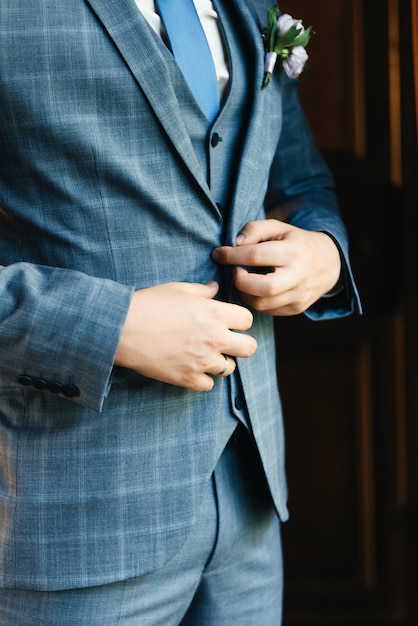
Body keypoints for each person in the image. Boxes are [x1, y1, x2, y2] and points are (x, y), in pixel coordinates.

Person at [0, 0, 361, 624]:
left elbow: (297, 183)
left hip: (248, 508)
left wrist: (323, 252)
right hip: (69, 527)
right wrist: (109, 328)